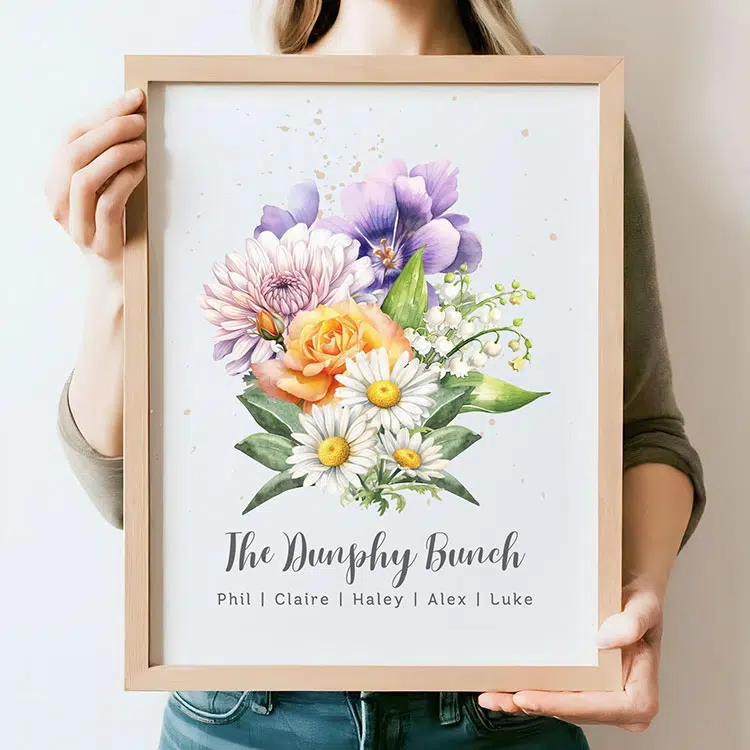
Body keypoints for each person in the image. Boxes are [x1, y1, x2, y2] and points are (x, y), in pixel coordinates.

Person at [46, 1, 706, 748]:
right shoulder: (207, 129)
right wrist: (112, 277)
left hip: (499, 713)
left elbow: (646, 431)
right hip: (246, 717)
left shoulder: (569, 124)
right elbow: (122, 492)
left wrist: (639, 599)